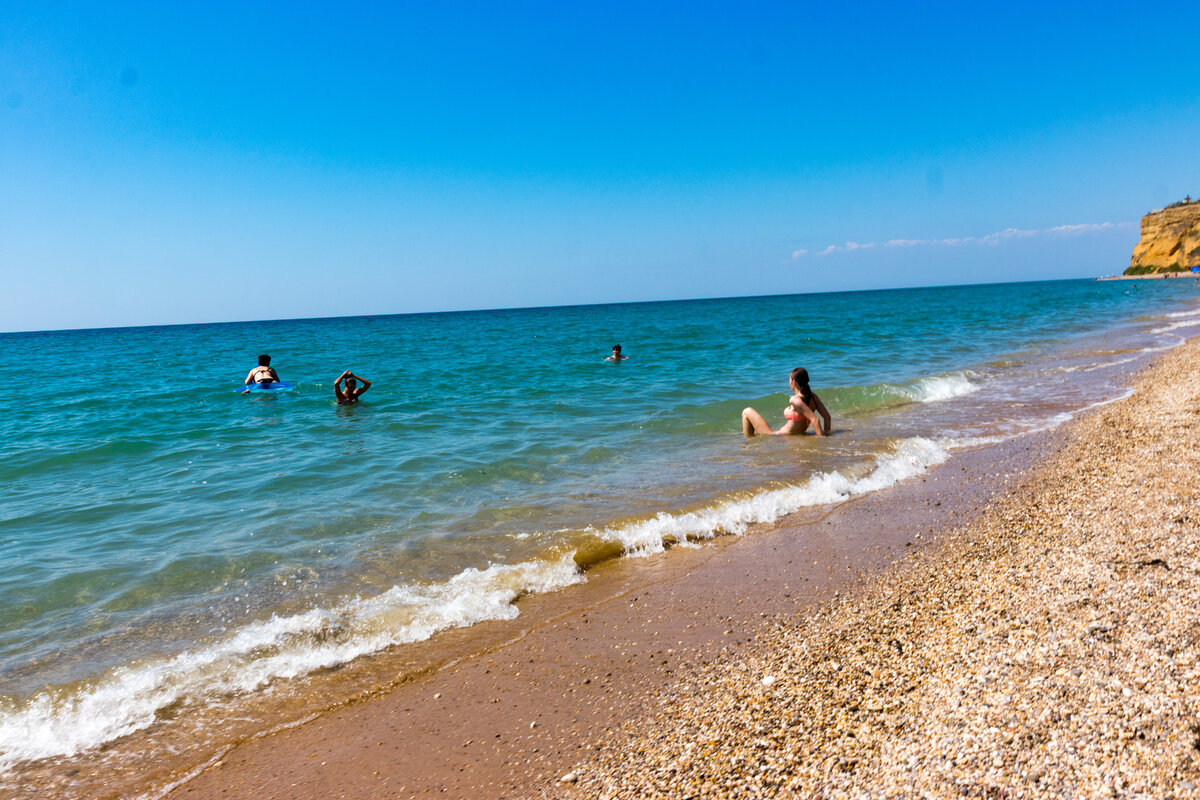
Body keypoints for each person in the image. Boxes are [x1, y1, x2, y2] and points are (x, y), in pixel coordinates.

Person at [742, 367, 831, 437]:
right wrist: (827, 433)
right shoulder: (813, 397)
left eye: (789, 380)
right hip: (794, 436)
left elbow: (815, 419)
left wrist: (821, 440)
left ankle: (748, 443)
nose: (788, 383)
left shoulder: (795, 400)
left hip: (779, 437)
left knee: (746, 411)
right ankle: (751, 441)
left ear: (794, 382)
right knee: (755, 430)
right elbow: (827, 417)